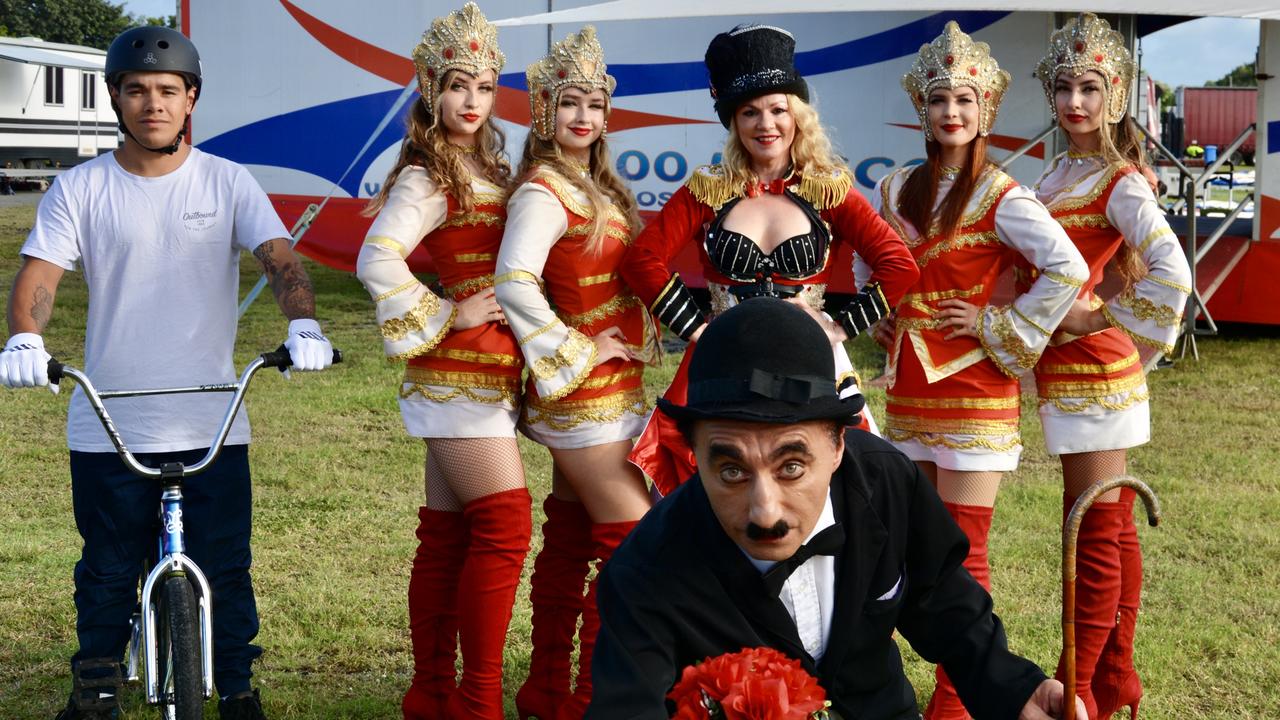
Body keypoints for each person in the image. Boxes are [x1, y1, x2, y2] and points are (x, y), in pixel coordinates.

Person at [0, 26, 334, 720]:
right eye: (137, 90)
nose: (153, 103)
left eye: (167, 91)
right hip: (110, 420)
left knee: (227, 568)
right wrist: (25, 338)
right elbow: (40, 276)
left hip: (211, 414)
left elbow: (281, 261)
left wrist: (302, 323)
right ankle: (95, 688)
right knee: (106, 571)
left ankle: (239, 689)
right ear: (117, 99)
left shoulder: (227, 181)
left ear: (191, 101)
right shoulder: (80, 189)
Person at [587, 298, 1087, 720]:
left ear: (838, 446)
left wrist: (1014, 689)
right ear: (694, 455)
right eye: (732, 471)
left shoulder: (887, 482)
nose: (765, 513)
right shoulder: (645, 573)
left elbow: (939, 600)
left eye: (791, 467)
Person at [869, 23, 1088, 719]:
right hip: (908, 385)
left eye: (964, 99)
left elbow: (1068, 269)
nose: (951, 112)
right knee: (904, 548)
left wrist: (1001, 326)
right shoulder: (895, 185)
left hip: (972, 389)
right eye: (939, 100)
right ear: (923, 109)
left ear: (986, 111)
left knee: (962, 552)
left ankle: (957, 703)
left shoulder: (1002, 194)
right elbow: (866, 257)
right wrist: (878, 309)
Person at [621, 23, 920, 496]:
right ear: (733, 121)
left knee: (813, 488)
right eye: (750, 112)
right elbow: (642, 260)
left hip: (808, 363)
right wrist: (699, 329)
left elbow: (900, 266)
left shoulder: (829, 189)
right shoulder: (709, 188)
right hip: (723, 362)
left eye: (778, 109)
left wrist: (840, 327)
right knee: (715, 490)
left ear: (797, 114)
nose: (766, 124)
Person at [353, 5, 529, 719]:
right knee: (506, 527)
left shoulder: (486, 161)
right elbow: (376, 256)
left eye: (484, 87)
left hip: (485, 372)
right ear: (431, 89)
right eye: (459, 85)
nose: (472, 101)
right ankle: (477, 702)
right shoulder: (428, 173)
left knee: (448, 535)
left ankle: (432, 696)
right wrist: (446, 312)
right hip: (457, 373)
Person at [493, 26, 660, 720]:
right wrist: (583, 348)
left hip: (602, 394)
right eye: (569, 104)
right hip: (583, 394)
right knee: (635, 544)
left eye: (593, 104)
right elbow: (513, 281)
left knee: (569, 539)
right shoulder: (543, 190)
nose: (583, 117)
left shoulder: (592, 185)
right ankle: (598, 697)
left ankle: (548, 688)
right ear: (543, 113)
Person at [1031, 14, 1192, 719]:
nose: (1075, 102)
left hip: (1096, 370)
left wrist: (1099, 318)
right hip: (1071, 374)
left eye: (1090, 88)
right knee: (1113, 524)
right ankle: (1116, 677)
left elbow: (1171, 272)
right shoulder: (1059, 170)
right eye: (1064, 87)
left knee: (1091, 525)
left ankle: (1077, 688)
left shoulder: (1120, 180)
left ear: (1116, 94)